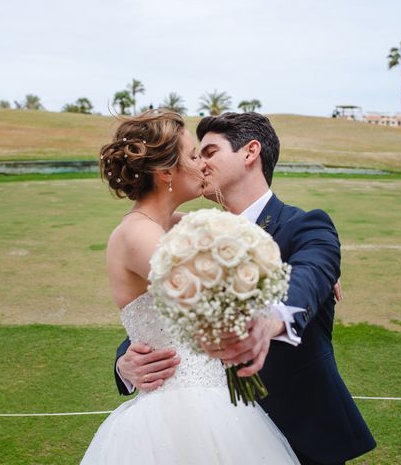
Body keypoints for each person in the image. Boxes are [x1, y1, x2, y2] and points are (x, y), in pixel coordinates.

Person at [115, 112, 376, 465]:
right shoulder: (183, 234)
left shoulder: (305, 226)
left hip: (300, 435)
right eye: (195, 155)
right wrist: (125, 362)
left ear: (250, 152)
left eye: (208, 153)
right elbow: (165, 315)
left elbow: (311, 274)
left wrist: (272, 314)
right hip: (198, 433)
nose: (200, 165)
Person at [81, 109, 300, 464]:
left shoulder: (179, 225)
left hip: (218, 399)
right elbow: (217, 297)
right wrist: (273, 283)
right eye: (193, 155)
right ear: (166, 171)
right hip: (179, 413)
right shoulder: (138, 234)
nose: (202, 165)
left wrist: (289, 267)